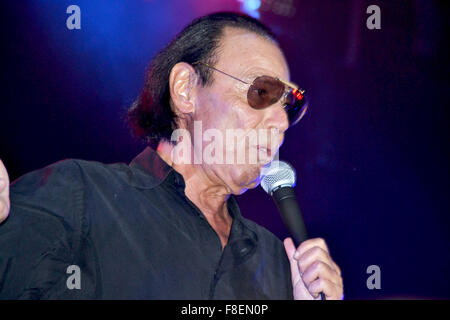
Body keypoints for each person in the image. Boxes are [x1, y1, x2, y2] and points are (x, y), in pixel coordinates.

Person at [0, 12, 343, 299]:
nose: (281, 121)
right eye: (261, 91)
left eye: (289, 105)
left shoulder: (279, 264)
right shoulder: (81, 197)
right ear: (186, 90)